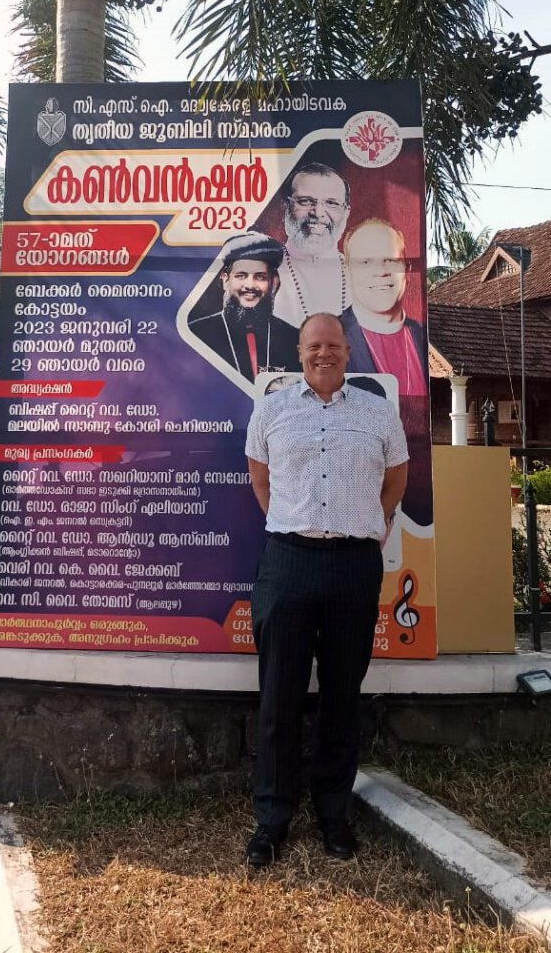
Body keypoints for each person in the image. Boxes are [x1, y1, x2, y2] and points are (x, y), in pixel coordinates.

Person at [244, 312, 408, 867]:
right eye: (314, 345)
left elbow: (397, 477)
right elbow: (259, 478)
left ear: (346, 351)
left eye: (333, 345)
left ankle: (334, 813)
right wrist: (290, 523)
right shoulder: (271, 409)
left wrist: (372, 520)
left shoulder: (377, 411)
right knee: (279, 697)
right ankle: (272, 818)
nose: (324, 354)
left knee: (342, 694)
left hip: (353, 566)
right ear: (299, 350)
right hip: (287, 562)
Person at [188, 232, 299, 383]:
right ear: (225, 279)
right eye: (241, 275)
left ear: (274, 283)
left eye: (260, 277)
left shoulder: (295, 340)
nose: (250, 285)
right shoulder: (196, 334)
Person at [340, 219, 428, 396]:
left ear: (407, 269)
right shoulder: (326, 338)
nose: (381, 272)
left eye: (390, 260)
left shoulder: (424, 335)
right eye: (365, 262)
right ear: (347, 272)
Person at [274, 163, 351, 327]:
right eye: (305, 201)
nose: (317, 213)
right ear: (285, 207)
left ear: (346, 213)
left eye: (331, 203)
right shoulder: (262, 274)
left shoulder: (361, 278)